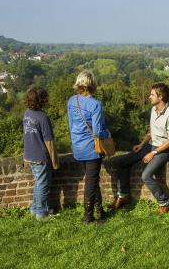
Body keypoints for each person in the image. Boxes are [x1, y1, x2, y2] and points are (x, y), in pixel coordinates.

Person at [110, 82, 169, 215]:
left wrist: (153, 152)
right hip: (151, 145)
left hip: (165, 150)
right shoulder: (154, 110)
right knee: (122, 162)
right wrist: (142, 144)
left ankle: (165, 203)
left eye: (152, 94)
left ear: (160, 97)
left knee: (146, 175)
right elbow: (151, 131)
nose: (149, 97)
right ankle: (124, 195)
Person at [67, 70, 111, 224]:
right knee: (91, 182)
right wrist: (108, 133)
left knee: (93, 179)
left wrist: (75, 143)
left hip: (78, 147)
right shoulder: (96, 104)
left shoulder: (72, 101)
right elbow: (98, 131)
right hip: (92, 149)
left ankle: (100, 211)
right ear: (93, 85)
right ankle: (88, 217)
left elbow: (71, 126)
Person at [23, 86, 58, 220]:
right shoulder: (43, 117)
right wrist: (55, 162)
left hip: (30, 154)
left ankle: (35, 208)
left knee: (38, 182)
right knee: (43, 184)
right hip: (41, 156)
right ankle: (41, 213)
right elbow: (49, 141)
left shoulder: (26, 113)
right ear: (41, 100)